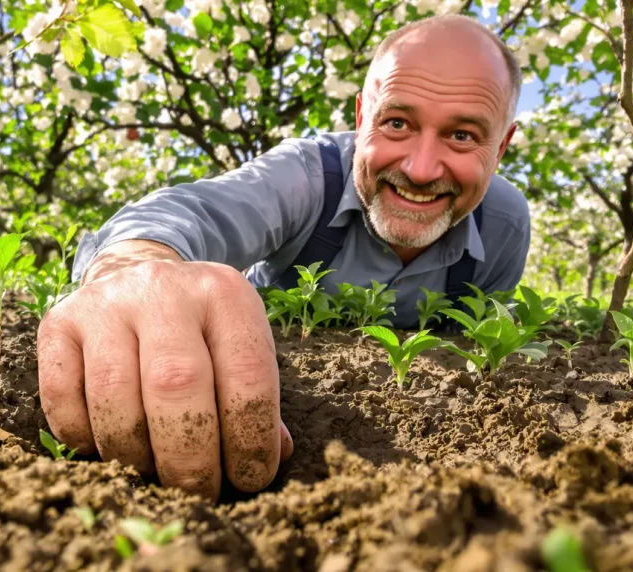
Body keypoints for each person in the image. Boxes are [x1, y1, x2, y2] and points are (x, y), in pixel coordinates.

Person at [37, 14, 530, 501]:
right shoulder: (308, 177)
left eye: (462, 135)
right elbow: (190, 213)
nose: (421, 169)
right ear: (361, 119)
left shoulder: (504, 226)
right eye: (397, 123)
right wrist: (137, 268)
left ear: (501, 146)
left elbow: (475, 358)